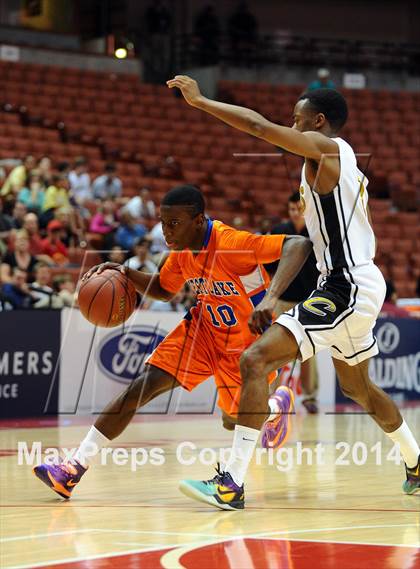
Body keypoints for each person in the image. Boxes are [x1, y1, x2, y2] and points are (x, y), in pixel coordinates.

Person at [166, 75, 420, 507]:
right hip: (348, 283)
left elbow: (260, 128)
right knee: (360, 389)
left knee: (254, 358)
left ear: (319, 122)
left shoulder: (331, 150)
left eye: (297, 120)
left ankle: (231, 482)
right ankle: (416, 462)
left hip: (347, 284)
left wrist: (202, 101)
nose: (291, 125)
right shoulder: (325, 165)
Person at [33, 185, 311, 499]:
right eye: (163, 223)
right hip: (204, 332)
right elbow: (164, 289)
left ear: (198, 220)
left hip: (245, 342)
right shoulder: (181, 254)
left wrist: (271, 300)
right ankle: (73, 468)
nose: (166, 231)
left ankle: (274, 409)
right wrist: (125, 273)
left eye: (174, 223)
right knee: (142, 387)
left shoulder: (232, 243)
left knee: (235, 420)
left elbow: (299, 245)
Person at [267, 192, 320, 413]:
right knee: (274, 350)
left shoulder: (316, 233)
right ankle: (271, 398)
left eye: (299, 208)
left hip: (309, 302)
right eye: (291, 209)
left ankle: (310, 396)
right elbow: (268, 265)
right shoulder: (279, 232)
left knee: (308, 351)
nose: (295, 213)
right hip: (281, 300)